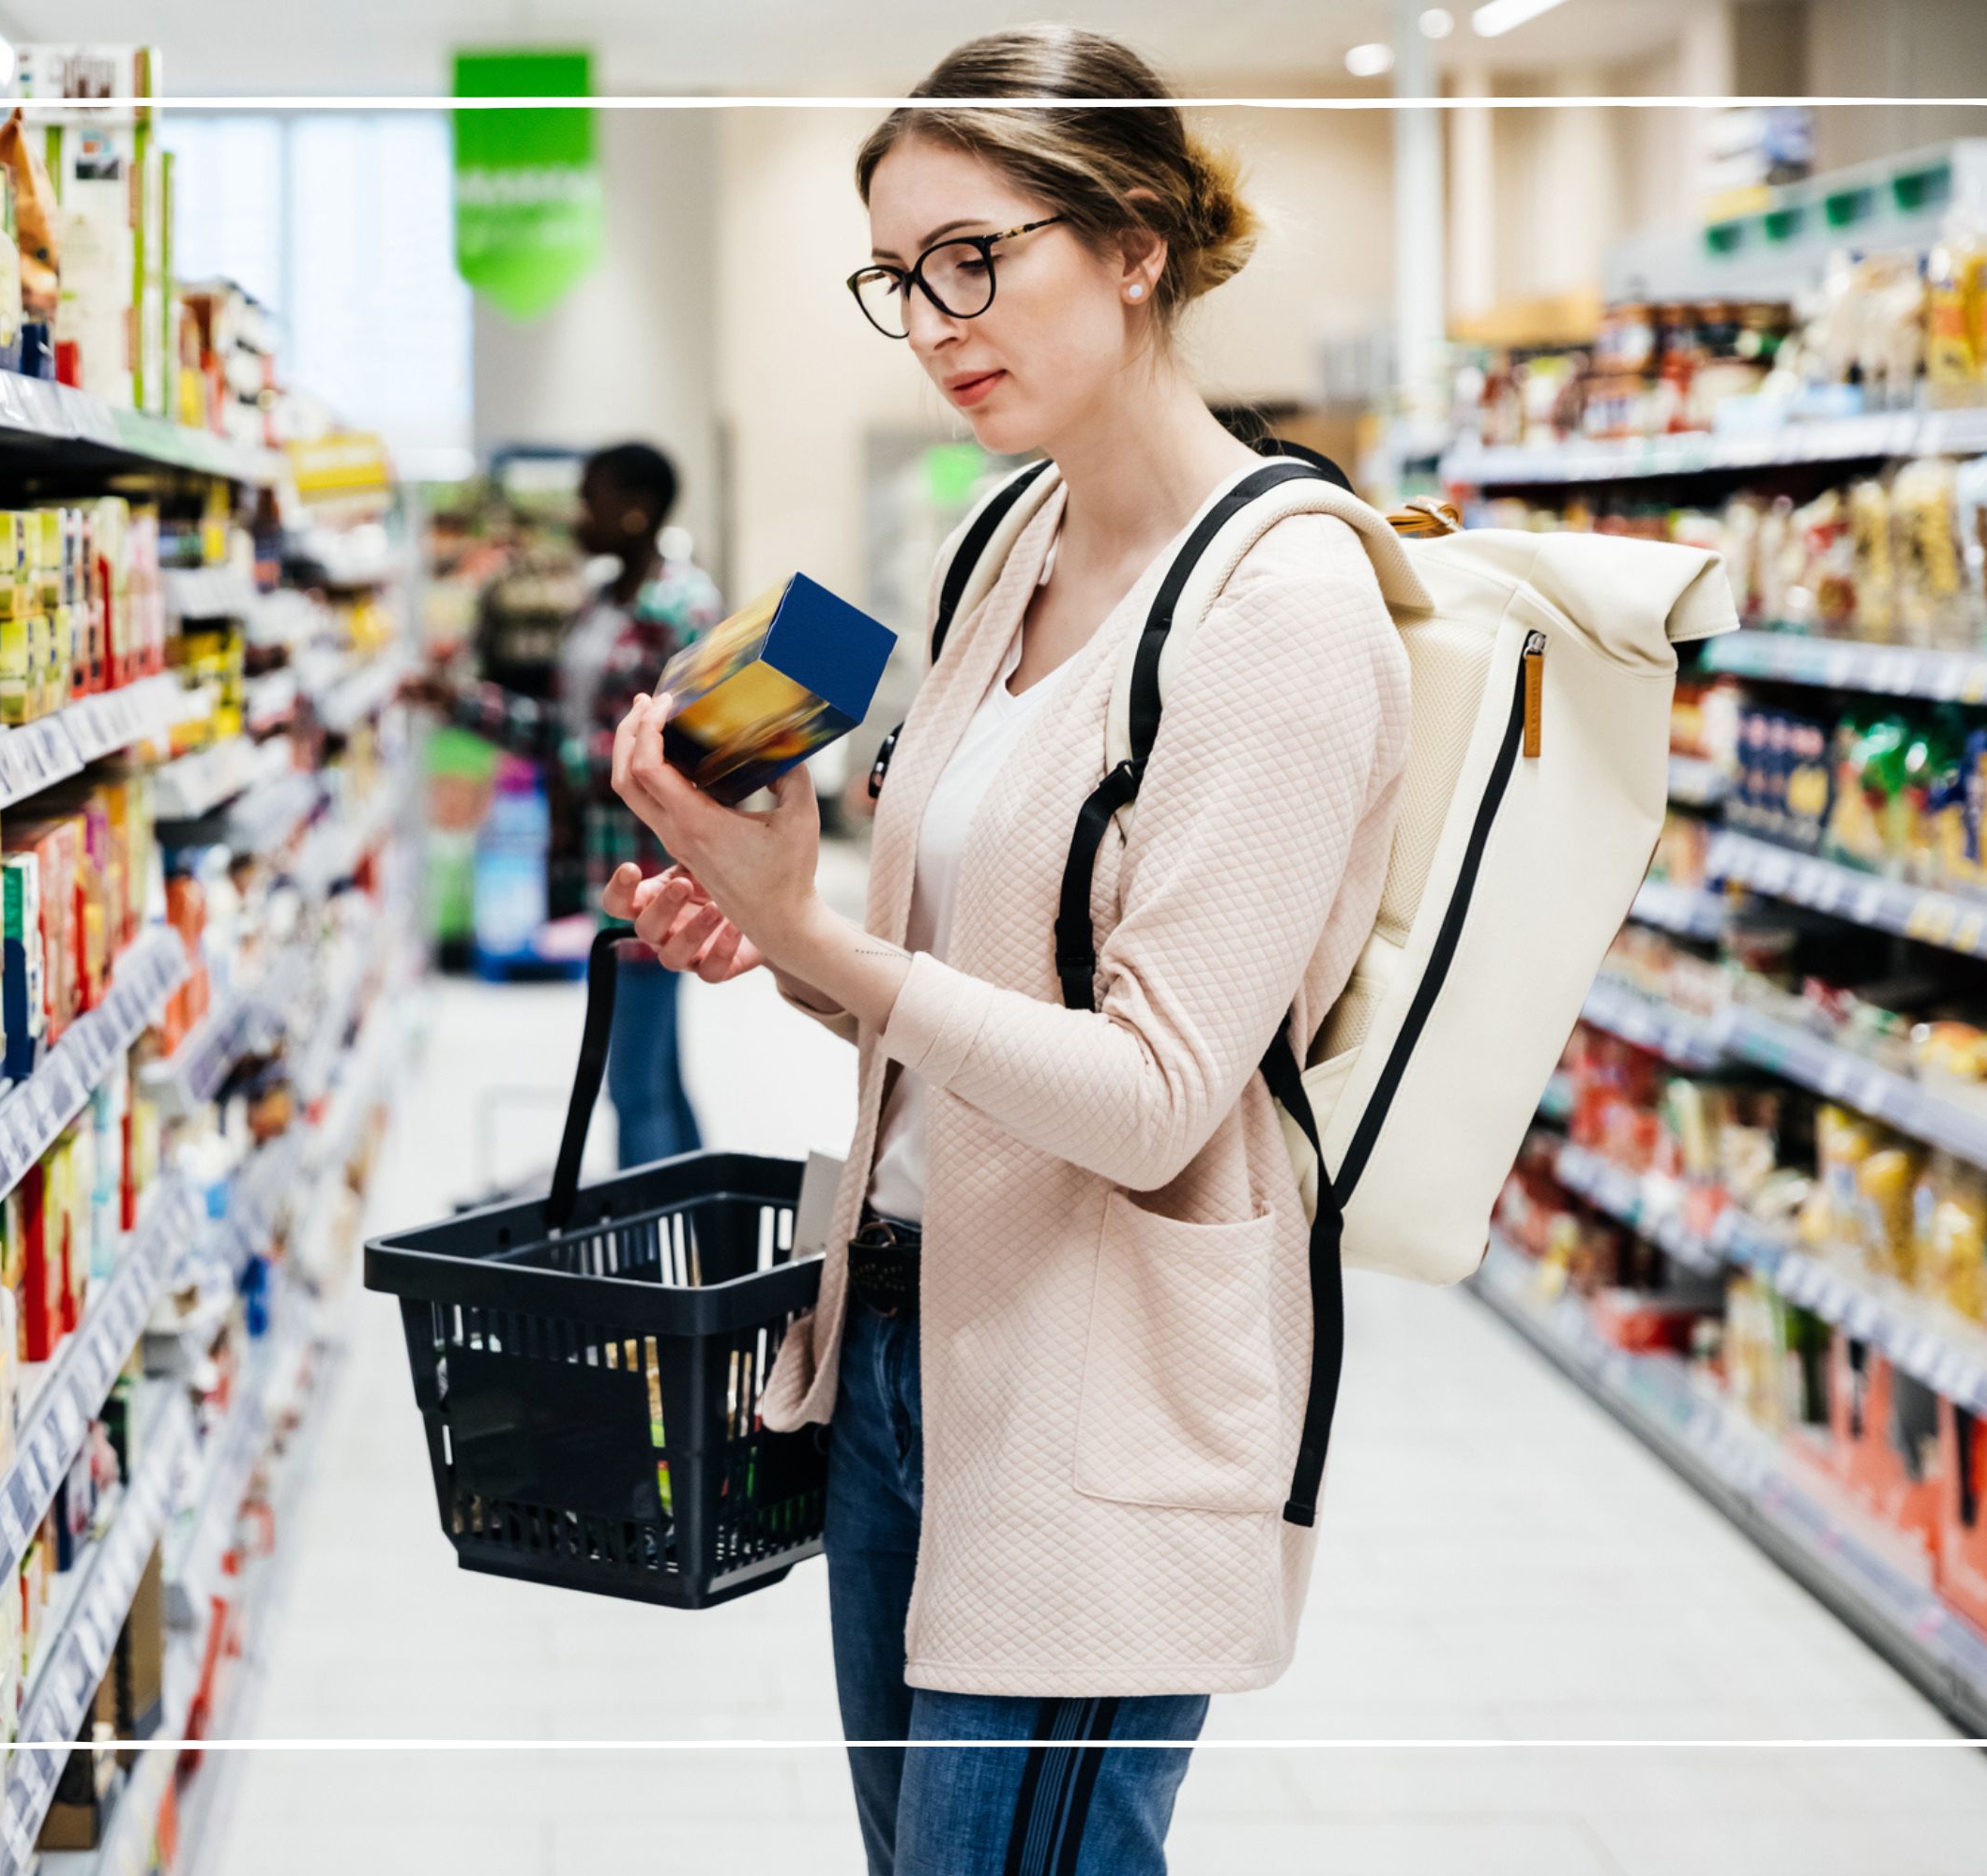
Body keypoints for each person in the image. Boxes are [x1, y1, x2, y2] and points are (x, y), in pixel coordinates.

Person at [599, 28, 1411, 1876]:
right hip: (893, 1332)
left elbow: (1148, 1096)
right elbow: (942, 982)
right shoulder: (999, 540)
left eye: (978, 257)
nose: (936, 319)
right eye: (900, 278)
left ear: (1135, 241)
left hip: (1095, 1391)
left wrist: (828, 934)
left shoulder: (1281, 608)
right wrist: (775, 933)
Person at [424, 443, 723, 1167]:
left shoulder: (681, 608)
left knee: (633, 1086)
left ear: (635, 508)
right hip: (603, 862)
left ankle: (649, 1265)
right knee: (657, 1073)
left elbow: (675, 749)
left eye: (590, 499)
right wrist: (459, 702)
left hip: (656, 868)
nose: (575, 516)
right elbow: (565, 729)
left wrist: (572, 758)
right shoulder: (602, 600)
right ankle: (705, 1235)